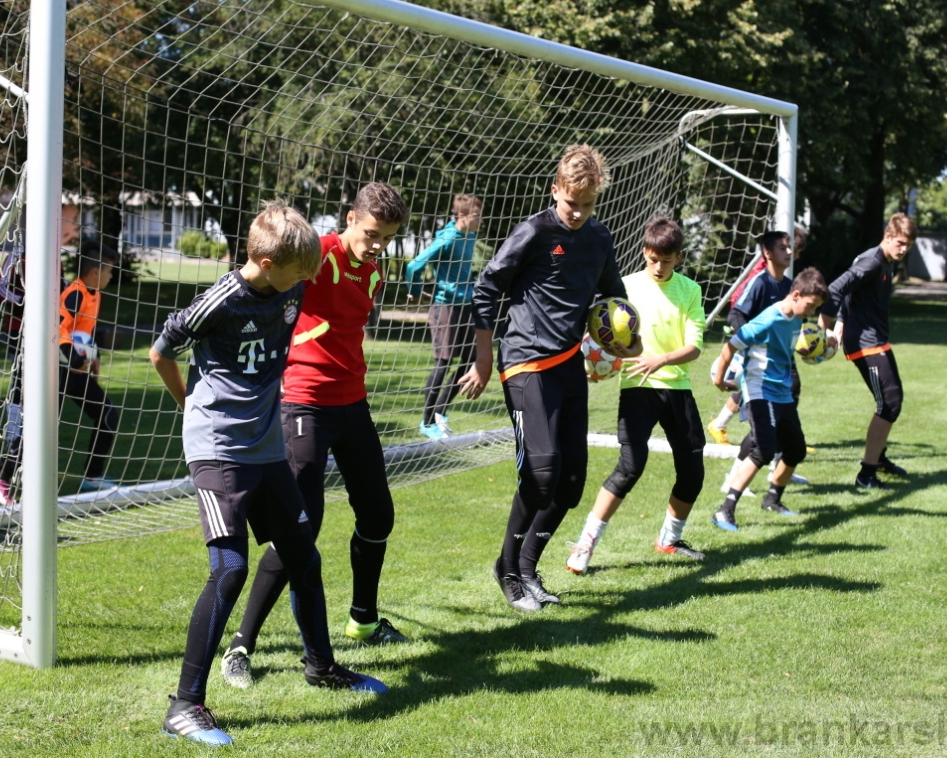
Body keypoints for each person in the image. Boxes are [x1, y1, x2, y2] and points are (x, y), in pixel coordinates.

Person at [150, 203, 385, 747]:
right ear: (264, 262)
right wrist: (191, 406)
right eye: (300, 271)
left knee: (304, 556)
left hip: (268, 447)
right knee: (229, 569)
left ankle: (321, 666)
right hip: (219, 449)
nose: (307, 280)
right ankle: (184, 706)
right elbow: (161, 352)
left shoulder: (292, 287)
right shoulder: (220, 301)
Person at [219, 183, 412, 691]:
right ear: (350, 219)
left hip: (352, 403)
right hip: (302, 403)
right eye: (371, 233)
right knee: (299, 529)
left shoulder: (374, 272)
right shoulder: (317, 255)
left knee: (378, 514)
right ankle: (240, 644)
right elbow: (264, 290)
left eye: (387, 238)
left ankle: (364, 619)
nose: (377, 245)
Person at [459, 144, 641, 612]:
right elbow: (487, 287)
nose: (577, 213)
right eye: (571, 202)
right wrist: (483, 359)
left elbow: (613, 298)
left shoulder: (599, 238)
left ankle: (527, 568)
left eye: (587, 205)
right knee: (542, 473)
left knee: (571, 482)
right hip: (525, 364)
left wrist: (623, 341)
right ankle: (507, 568)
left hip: (568, 366)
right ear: (555, 189)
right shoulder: (534, 232)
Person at [566, 216, 707, 575]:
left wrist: (660, 359)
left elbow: (694, 347)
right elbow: (599, 333)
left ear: (679, 258)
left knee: (692, 472)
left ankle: (670, 539)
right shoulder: (624, 287)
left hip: (676, 388)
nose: (659, 267)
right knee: (630, 466)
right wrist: (595, 363)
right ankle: (584, 545)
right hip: (636, 388)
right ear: (645, 252)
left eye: (667, 260)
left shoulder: (690, 290)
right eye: (653, 259)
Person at [709, 267, 828, 529]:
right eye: (810, 305)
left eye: (816, 308)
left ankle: (772, 500)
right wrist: (719, 379)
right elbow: (731, 346)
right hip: (759, 391)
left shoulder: (796, 319)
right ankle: (724, 510)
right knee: (763, 449)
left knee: (795, 450)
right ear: (796, 295)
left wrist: (818, 351)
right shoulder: (767, 321)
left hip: (782, 392)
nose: (811, 312)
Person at [0, 201, 80, 506]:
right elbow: (0, 290)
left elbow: (58, 295)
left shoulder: (54, 256)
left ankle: (15, 469)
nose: (75, 227)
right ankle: (0, 474)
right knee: (31, 402)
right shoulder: (23, 253)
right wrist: (33, 303)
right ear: (55, 218)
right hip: (21, 335)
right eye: (72, 219)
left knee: (40, 403)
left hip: (46, 336)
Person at [818, 213, 917, 491]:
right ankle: (866, 474)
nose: (903, 249)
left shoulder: (884, 260)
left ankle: (879, 458)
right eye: (900, 243)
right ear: (888, 236)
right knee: (889, 403)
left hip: (877, 341)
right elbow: (836, 288)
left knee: (890, 400)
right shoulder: (872, 261)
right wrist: (822, 330)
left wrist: (841, 321)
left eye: (908, 245)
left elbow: (853, 292)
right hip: (865, 344)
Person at [706, 226, 806, 446]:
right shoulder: (759, 282)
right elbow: (735, 314)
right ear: (767, 253)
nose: (790, 253)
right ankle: (773, 442)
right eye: (783, 248)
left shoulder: (789, 286)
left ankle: (783, 441)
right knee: (776, 391)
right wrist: (750, 341)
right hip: (760, 355)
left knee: (786, 388)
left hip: (780, 353)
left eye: (790, 248)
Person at [406, 193, 483, 440]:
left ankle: (440, 410)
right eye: (476, 216)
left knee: (472, 359)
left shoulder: (470, 235)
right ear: (462, 215)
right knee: (444, 362)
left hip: (465, 306)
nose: (480, 220)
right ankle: (427, 421)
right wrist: (415, 291)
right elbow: (414, 265)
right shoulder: (448, 237)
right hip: (445, 308)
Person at [55, 241, 122, 491]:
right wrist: (74, 359)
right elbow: (59, 327)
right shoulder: (75, 293)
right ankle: (5, 475)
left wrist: (94, 357)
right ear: (95, 272)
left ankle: (92, 476)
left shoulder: (95, 294)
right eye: (109, 271)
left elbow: (84, 331)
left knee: (107, 414)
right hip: (59, 370)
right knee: (43, 427)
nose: (111, 276)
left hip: (78, 370)